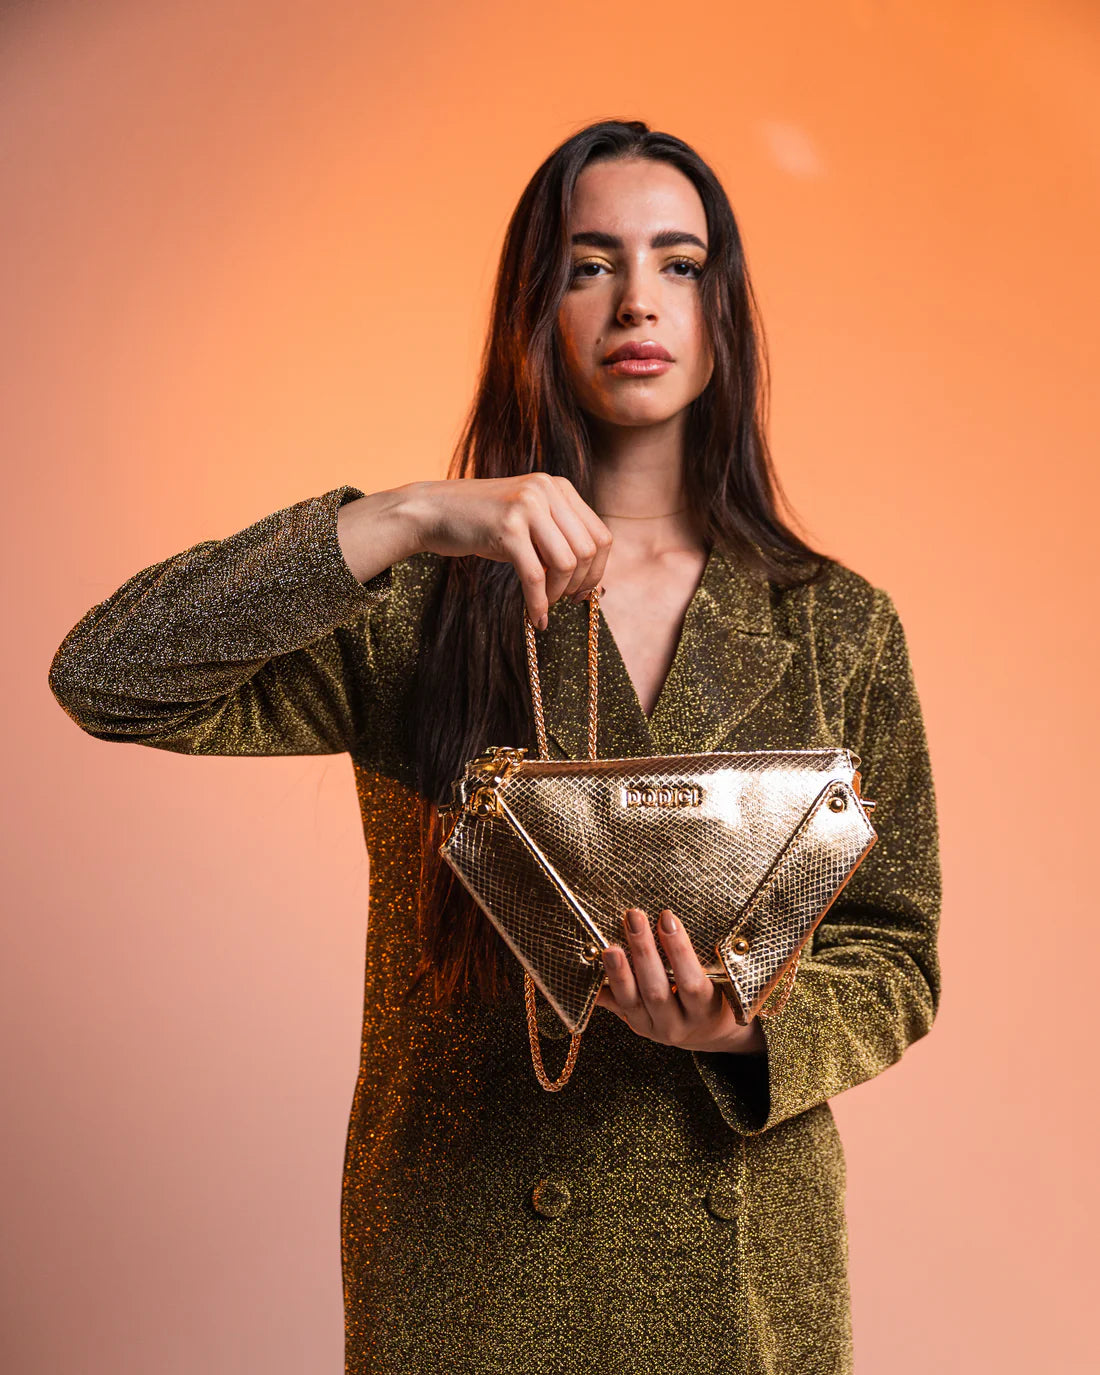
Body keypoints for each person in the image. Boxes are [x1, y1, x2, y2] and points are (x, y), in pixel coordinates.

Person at [48, 119, 942, 1375]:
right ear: (534, 307)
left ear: (722, 310)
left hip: (739, 1272)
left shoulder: (832, 623)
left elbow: (894, 951)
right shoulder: (419, 604)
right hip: (467, 1261)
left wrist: (744, 1025)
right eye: (588, 265)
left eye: (679, 263)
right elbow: (108, 676)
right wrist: (403, 516)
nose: (637, 300)